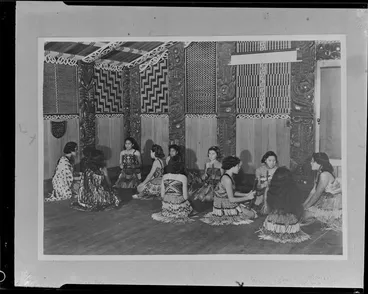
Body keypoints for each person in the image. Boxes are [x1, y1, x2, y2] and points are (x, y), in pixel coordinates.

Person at [256, 166, 310, 243]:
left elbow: (266, 211)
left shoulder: (270, 189)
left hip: (274, 227)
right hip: (291, 227)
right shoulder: (294, 189)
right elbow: (298, 210)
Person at [200, 156, 257, 226]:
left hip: (226, 201)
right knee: (252, 214)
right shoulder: (227, 179)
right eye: (238, 166)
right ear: (232, 166)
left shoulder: (229, 176)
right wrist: (247, 198)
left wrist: (246, 194)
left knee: (251, 212)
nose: (239, 168)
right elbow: (232, 199)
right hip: (223, 204)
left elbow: (232, 192)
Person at [302, 152, 342, 231]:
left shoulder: (324, 175)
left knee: (305, 215)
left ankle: (325, 221)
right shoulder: (319, 173)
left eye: (313, 161)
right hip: (325, 201)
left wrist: (306, 207)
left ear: (319, 163)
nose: (311, 163)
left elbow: (317, 194)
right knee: (303, 213)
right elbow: (313, 191)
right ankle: (317, 221)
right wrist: (304, 204)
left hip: (332, 205)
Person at [151, 155, 194, 224]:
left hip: (167, 205)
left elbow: (162, 195)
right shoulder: (183, 177)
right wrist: (190, 194)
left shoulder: (164, 176)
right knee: (190, 206)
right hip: (178, 206)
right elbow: (185, 197)